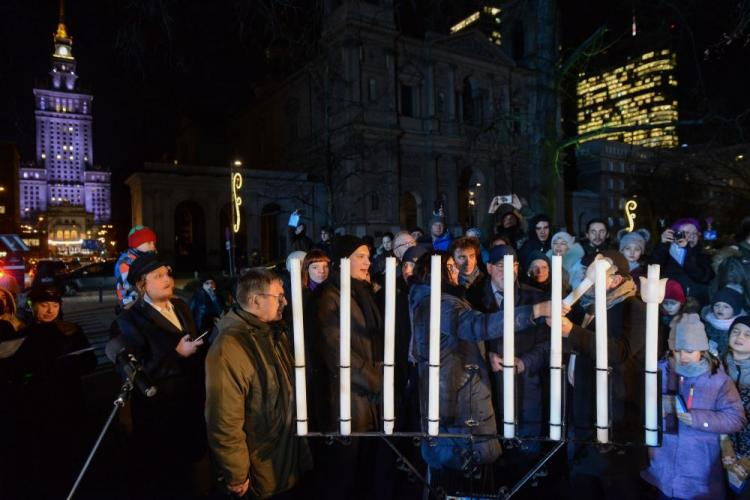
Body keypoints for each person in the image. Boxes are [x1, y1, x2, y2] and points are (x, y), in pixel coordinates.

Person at [409, 251, 552, 480]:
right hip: (458, 399)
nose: (456, 269)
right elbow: (477, 326)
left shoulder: (442, 300)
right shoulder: (440, 304)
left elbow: (454, 343)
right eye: (449, 266)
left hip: (459, 391)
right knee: (459, 472)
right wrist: (535, 311)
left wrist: (487, 355)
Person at [205, 268, 312, 499]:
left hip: (282, 456)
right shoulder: (230, 347)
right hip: (259, 467)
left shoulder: (273, 333)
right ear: (255, 300)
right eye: (278, 297)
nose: (284, 302)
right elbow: (224, 418)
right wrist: (236, 473)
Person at [115, 254, 208, 498]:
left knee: (193, 467)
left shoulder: (181, 306)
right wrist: (175, 352)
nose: (167, 279)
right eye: (158, 276)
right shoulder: (130, 319)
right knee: (166, 475)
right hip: (159, 411)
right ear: (141, 285)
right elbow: (137, 368)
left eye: (167, 273)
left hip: (190, 401)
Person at [306, 234, 386, 498]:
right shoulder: (329, 297)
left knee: (365, 474)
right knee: (343, 476)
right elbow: (337, 350)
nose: (368, 262)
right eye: (360, 257)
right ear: (343, 262)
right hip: (347, 401)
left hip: (367, 399)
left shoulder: (361, 292)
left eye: (368, 256)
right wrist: (376, 380)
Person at [562, 250, 647, 499]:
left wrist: (573, 333)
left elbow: (621, 351)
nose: (588, 279)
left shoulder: (634, 308)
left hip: (615, 412)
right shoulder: (586, 307)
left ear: (616, 280)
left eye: (596, 274)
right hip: (584, 408)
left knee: (616, 483)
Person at [466, 245, 551, 483]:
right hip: (487, 389)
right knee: (490, 459)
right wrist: (486, 355)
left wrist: (526, 362)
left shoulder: (536, 298)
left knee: (525, 460)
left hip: (526, 389)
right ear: (490, 267)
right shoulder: (473, 299)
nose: (507, 271)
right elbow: (466, 339)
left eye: (512, 265)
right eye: (501, 266)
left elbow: (549, 344)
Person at [641, 313, 745, 500]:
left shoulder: (718, 380)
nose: (683, 357)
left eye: (689, 351)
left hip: (699, 473)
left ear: (702, 349)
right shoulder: (658, 372)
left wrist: (698, 418)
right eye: (677, 350)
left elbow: (737, 419)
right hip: (662, 469)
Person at [12, 285, 97, 498]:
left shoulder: (71, 330)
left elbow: (90, 362)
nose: (50, 310)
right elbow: (16, 369)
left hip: (70, 398)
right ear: (32, 307)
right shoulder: (24, 334)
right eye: (44, 305)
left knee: (72, 448)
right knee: (44, 451)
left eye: (54, 305)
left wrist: (71, 363)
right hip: (38, 403)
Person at [649, 218, 714, 306]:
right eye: (686, 233)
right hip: (669, 306)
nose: (691, 236)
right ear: (675, 235)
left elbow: (702, 276)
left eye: (695, 233)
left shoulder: (704, 254)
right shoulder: (668, 253)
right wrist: (662, 244)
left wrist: (687, 250)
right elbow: (652, 267)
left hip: (695, 306)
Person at [721, 316, 750, 496]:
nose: (740, 337)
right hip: (724, 446)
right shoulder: (717, 365)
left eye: (748, 334)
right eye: (736, 331)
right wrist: (724, 443)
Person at [115, 224, 157, 310]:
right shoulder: (124, 263)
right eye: (149, 243)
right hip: (130, 305)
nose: (153, 246)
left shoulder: (144, 258)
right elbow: (130, 287)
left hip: (144, 303)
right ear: (136, 244)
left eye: (154, 243)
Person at [701, 287, 745, 355]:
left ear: (735, 311)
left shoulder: (738, 328)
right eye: (717, 305)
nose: (720, 309)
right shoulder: (707, 322)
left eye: (726, 307)